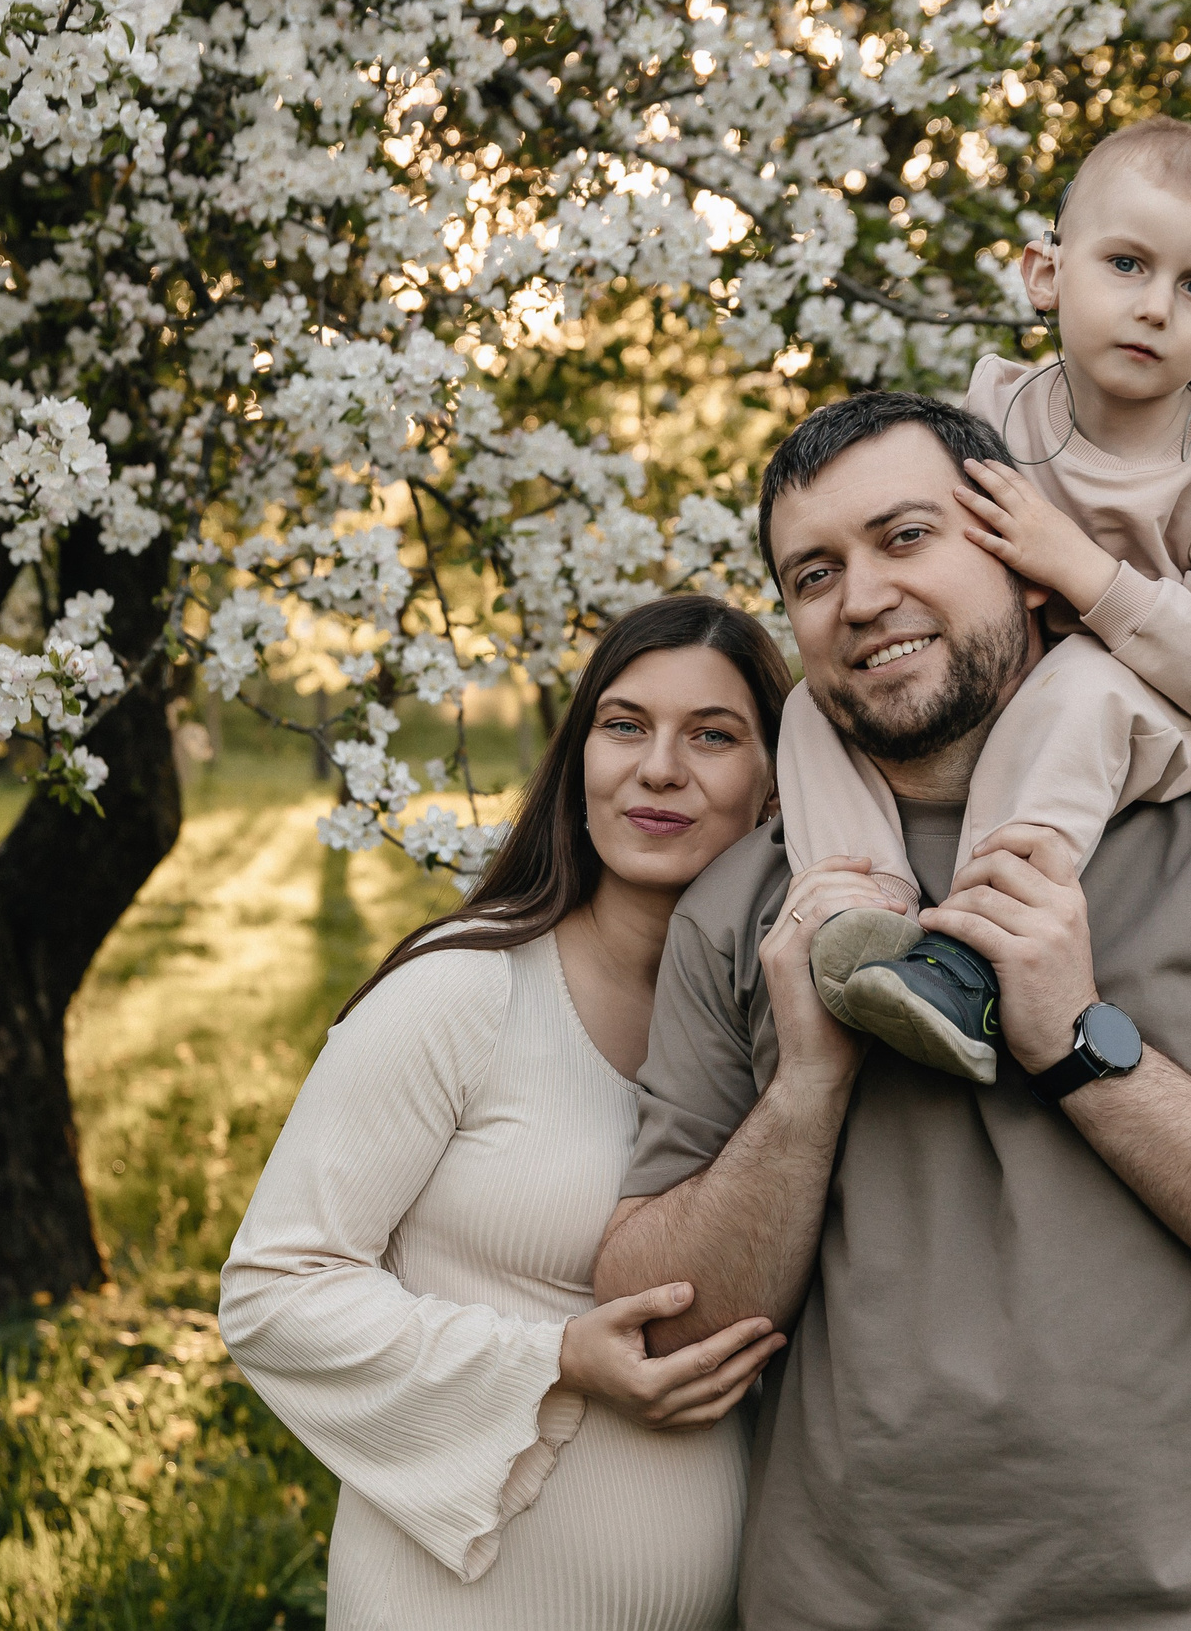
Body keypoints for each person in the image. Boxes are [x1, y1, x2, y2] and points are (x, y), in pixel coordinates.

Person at [591, 395, 1191, 1630]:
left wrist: (1079, 1040)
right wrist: (808, 1080)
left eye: (905, 538)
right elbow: (662, 1326)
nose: (862, 597)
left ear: (1019, 546)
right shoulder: (750, 906)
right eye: (814, 573)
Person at [221, 595, 799, 1630]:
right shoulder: (464, 991)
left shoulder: (784, 1037)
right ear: (580, 763)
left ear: (772, 789)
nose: (660, 767)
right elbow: (273, 1292)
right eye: (624, 726)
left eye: (712, 736)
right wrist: (555, 1359)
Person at [785, 116, 1191, 1084]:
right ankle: (856, 913)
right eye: (1126, 264)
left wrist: (1079, 567)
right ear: (1045, 274)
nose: (1156, 307)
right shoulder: (993, 411)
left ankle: (973, 959)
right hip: (1031, 693)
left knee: (1084, 682)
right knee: (814, 701)